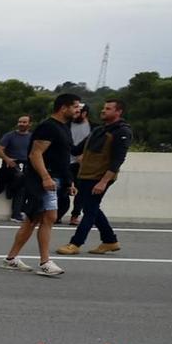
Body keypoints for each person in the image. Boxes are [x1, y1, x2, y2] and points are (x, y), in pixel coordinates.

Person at [2, 92, 79, 277]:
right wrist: (45, 177)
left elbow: (63, 158)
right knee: (48, 218)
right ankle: (45, 262)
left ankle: (11, 258)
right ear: (63, 107)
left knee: (32, 220)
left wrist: (69, 181)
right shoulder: (48, 127)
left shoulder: (64, 127)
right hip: (44, 180)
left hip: (56, 179)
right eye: (75, 106)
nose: (78, 110)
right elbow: (35, 154)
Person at [59, 99, 131, 255]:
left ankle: (75, 243)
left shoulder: (122, 132)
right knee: (91, 208)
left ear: (118, 112)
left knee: (90, 210)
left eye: (108, 108)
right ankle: (110, 241)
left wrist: (104, 181)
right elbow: (76, 149)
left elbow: (118, 160)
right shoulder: (98, 130)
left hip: (100, 177)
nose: (103, 111)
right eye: (104, 108)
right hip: (85, 174)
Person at [0, 116, 33, 219]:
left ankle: (19, 209)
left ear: (29, 124)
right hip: (12, 164)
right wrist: (7, 159)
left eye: (24, 122)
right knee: (20, 186)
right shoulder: (9, 136)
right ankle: (16, 213)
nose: (21, 124)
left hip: (26, 165)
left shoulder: (32, 137)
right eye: (20, 122)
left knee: (25, 187)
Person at [64, 101, 94, 223]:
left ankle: (75, 215)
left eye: (78, 111)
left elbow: (97, 146)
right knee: (64, 189)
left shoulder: (94, 128)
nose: (75, 113)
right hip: (66, 162)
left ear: (85, 113)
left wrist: (84, 156)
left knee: (81, 191)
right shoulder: (65, 125)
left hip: (84, 164)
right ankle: (57, 214)